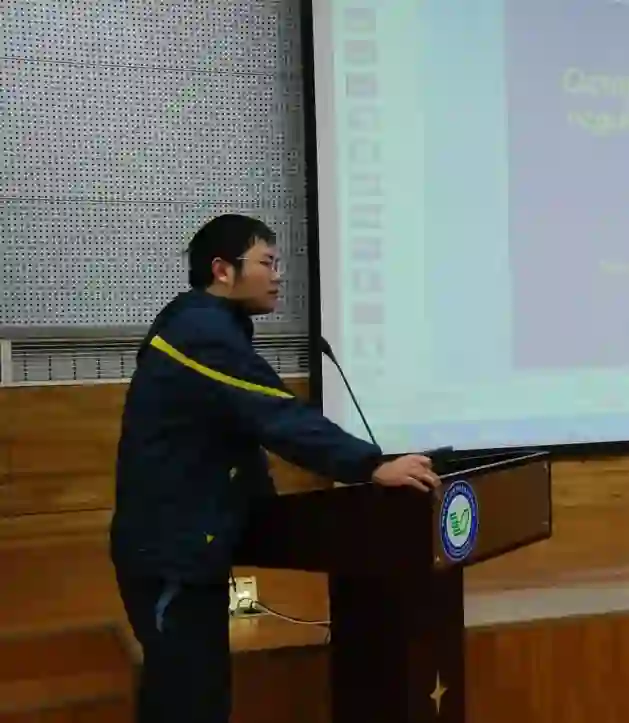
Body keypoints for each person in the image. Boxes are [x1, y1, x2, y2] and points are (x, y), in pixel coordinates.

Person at [109, 214, 439, 723]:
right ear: (223, 270)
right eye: (267, 262)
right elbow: (277, 415)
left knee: (196, 698)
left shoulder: (214, 329)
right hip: (168, 557)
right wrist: (371, 465)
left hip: (183, 552)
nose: (278, 276)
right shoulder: (199, 333)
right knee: (186, 702)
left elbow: (239, 442)